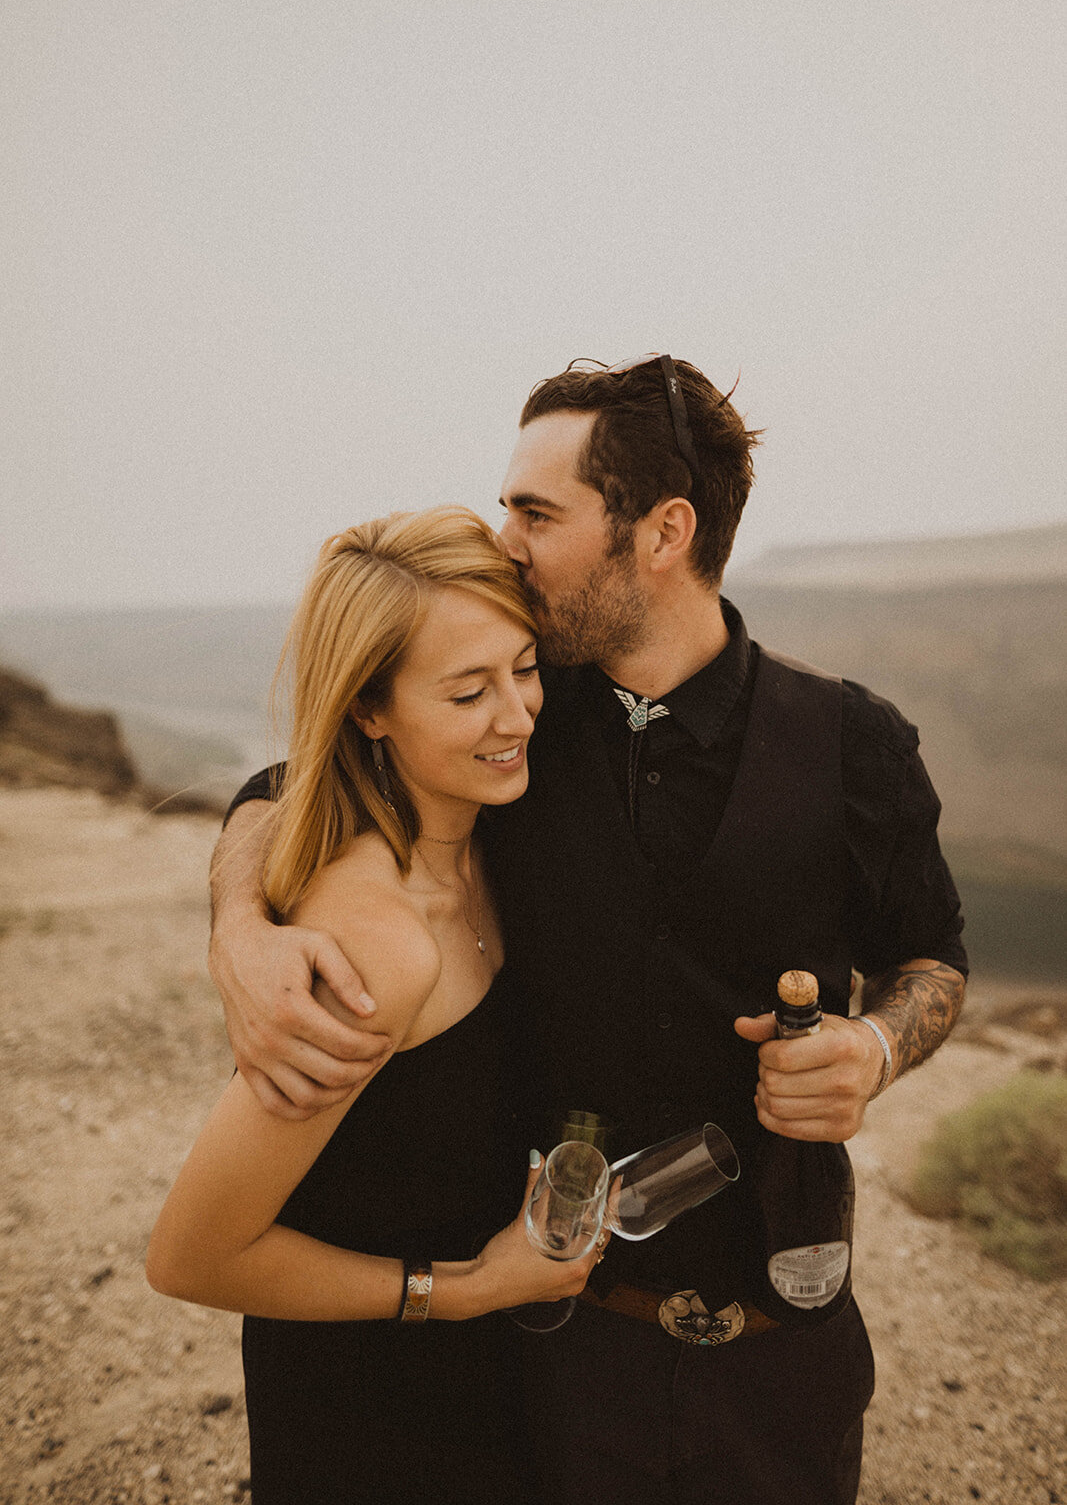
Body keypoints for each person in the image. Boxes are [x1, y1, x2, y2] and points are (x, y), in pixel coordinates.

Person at [209, 356, 968, 1505]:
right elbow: (292, 781)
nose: (502, 538)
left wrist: (873, 1047)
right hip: (546, 1359)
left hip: (783, 1353)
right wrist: (238, 928)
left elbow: (931, 955)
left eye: (535, 512)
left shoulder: (854, 742)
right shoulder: (508, 716)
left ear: (661, 532)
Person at [147, 505, 605, 1505]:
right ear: (369, 708)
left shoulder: (490, 828)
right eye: (466, 691)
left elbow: (273, 782)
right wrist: (465, 1290)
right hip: (371, 1426)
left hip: (498, 1397)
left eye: (522, 668)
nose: (517, 714)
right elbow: (191, 1253)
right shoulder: (373, 952)